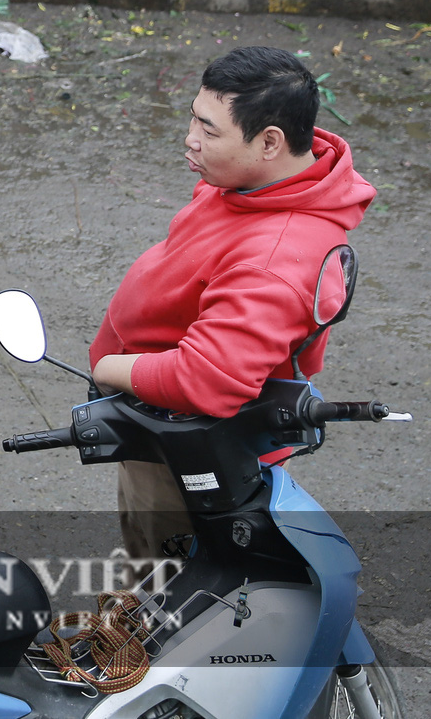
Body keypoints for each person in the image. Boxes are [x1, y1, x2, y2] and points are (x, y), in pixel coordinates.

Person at [89, 46, 376, 557]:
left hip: (194, 447)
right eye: (194, 120)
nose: (190, 140)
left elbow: (207, 380)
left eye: (209, 130)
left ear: (270, 142)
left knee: (168, 584)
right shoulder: (256, 183)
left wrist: (109, 369)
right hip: (158, 423)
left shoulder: (276, 257)